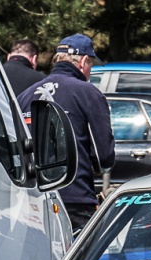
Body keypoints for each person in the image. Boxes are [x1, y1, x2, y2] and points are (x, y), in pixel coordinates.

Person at [18, 33, 115, 233]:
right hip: (75, 199)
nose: (90, 71)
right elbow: (103, 157)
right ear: (83, 61)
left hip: (32, 200)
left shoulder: (25, 95)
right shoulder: (88, 93)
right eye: (91, 65)